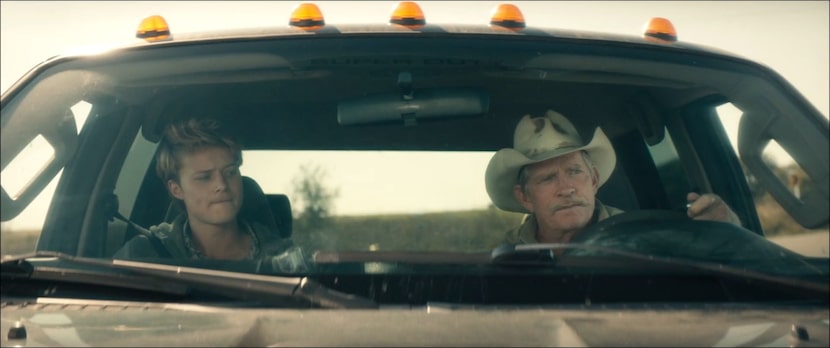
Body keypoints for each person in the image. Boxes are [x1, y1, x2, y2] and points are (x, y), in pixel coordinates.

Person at [485, 109, 742, 246]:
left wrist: (726, 232)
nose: (566, 189)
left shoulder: (643, 234)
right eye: (547, 178)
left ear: (594, 180)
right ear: (525, 197)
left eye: (574, 172)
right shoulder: (507, 252)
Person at [114, 118, 294, 260]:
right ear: (176, 189)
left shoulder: (285, 260)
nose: (222, 185)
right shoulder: (144, 255)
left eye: (230, 172)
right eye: (204, 177)